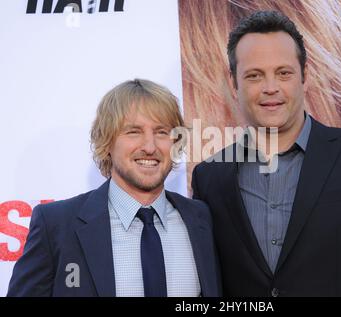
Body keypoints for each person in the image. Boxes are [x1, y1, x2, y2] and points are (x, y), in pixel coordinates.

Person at [191, 11, 341, 296]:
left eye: (283, 73)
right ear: (234, 84)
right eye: (254, 76)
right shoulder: (210, 176)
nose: (271, 88)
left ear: (304, 77)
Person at [8, 79, 221, 297]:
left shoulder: (201, 219)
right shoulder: (56, 225)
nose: (150, 146)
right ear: (107, 142)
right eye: (133, 132)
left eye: (161, 132)